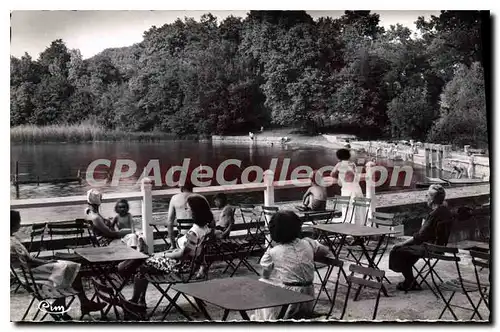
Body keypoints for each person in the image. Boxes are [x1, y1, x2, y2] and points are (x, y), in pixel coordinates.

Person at [10, 210, 105, 319]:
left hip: (26, 276)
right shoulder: (12, 243)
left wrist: (48, 263)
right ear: (13, 224)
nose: (20, 224)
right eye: (19, 221)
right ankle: (81, 303)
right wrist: (47, 262)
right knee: (69, 267)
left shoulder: (10, 240)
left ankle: (78, 303)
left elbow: (28, 260)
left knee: (69, 267)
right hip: (33, 276)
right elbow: (30, 261)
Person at [119, 195, 213, 304]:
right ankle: (140, 299)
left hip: (179, 268)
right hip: (186, 265)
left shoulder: (194, 233)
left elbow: (182, 254)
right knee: (145, 259)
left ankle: (135, 300)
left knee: (142, 265)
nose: (187, 211)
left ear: (196, 211)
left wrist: (162, 255)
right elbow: (185, 252)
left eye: (188, 209)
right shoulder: (205, 229)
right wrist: (162, 253)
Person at [251, 211, 334, 320]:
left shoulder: (273, 252)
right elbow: (326, 251)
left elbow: (265, 273)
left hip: (290, 297)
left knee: (262, 282)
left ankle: (265, 319)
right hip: (308, 294)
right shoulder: (309, 242)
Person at [389, 184, 453, 291]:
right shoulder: (445, 211)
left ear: (432, 200)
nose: (425, 197)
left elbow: (419, 236)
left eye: (427, 195)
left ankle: (410, 281)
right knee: (408, 250)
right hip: (440, 246)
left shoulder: (434, 214)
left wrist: (402, 243)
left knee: (399, 250)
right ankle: (410, 281)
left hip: (431, 247)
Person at [166, 180, 208, 249]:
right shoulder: (201, 198)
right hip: (198, 240)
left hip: (182, 240)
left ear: (181, 187)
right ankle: (202, 259)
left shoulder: (174, 198)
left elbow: (169, 222)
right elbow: (210, 222)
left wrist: (172, 244)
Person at [331, 148, 364, 224]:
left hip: (346, 189)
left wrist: (338, 176)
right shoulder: (352, 164)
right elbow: (356, 174)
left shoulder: (339, 164)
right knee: (357, 207)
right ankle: (359, 223)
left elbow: (332, 174)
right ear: (348, 156)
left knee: (347, 207)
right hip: (356, 187)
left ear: (338, 157)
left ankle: (348, 223)